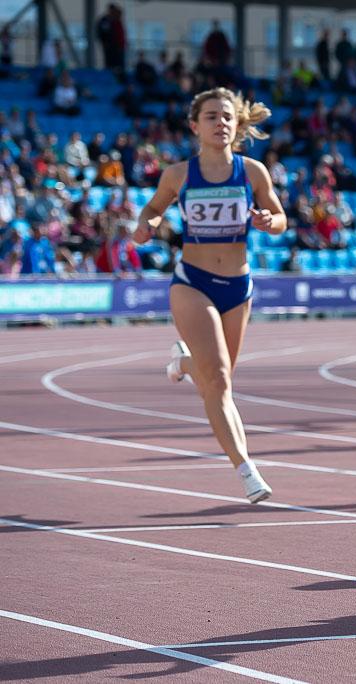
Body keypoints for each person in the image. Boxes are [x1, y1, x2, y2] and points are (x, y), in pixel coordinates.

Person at [132, 88, 287, 504]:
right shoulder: (179, 175)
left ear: (237, 126)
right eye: (211, 116)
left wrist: (269, 220)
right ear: (194, 125)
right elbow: (151, 210)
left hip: (238, 286)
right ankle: (246, 468)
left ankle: (183, 361)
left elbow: (281, 219)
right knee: (217, 381)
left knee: (219, 381)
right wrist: (146, 225)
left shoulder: (252, 172)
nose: (220, 123)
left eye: (227, 117)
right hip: (193, 282)